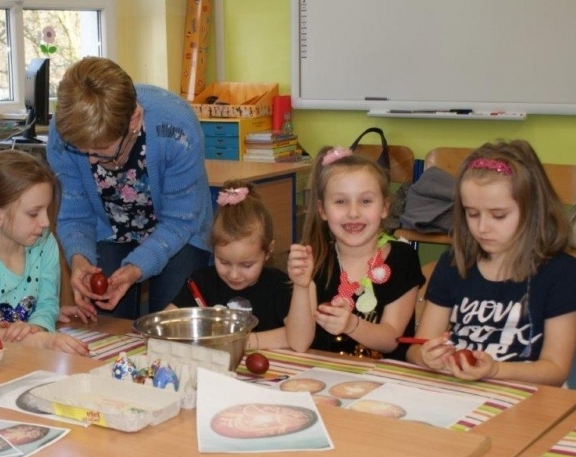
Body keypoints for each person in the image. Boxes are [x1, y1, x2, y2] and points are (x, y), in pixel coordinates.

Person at [46, 57, 212, 320]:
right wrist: (79, 260)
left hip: (180, 233)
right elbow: (75, 215)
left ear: (134, 120)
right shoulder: (66, 135)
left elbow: (180, 221)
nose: (90, 160)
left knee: (172, 322)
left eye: (101, 152)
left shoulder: (177, 129)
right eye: (82, 150)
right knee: (105, 323)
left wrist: (137, 267)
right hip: (110, 231)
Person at [407, 140, 576, 386]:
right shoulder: (454, 263)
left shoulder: (562, 273)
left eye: (499, 215)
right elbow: (417, 347)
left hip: (527, 396)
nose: (482, 227)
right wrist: (426, 357)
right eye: (472, 213)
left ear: (532, 210)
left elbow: (555, 369)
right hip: (459, 392)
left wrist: (496, 370)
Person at [286, 146, 424, 359]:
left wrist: (352, 324)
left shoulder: (402, 258)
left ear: (385, 207)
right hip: (327, 378)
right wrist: (301, 286)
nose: (353, 213)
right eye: (340, 202)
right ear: (323, 210)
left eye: (366, 201)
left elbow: (391, 340)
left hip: (386, 382)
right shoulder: (316, 259)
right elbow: (298, 343)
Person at [0, 150, 88, 356]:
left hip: (26, 350)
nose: (46, 222)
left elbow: (48, 305)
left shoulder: (45, 243)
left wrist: (36, 328)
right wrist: (40, 340)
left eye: (46, 210)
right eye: (34, 213)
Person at [167, 181, 309, 349]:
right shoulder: (201, 282)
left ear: (268, 251)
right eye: (224, 262)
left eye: (247, 265)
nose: (234, 275)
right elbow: (165, 323)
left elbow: (298, 340)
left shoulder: (279, 286)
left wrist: (239, 342)